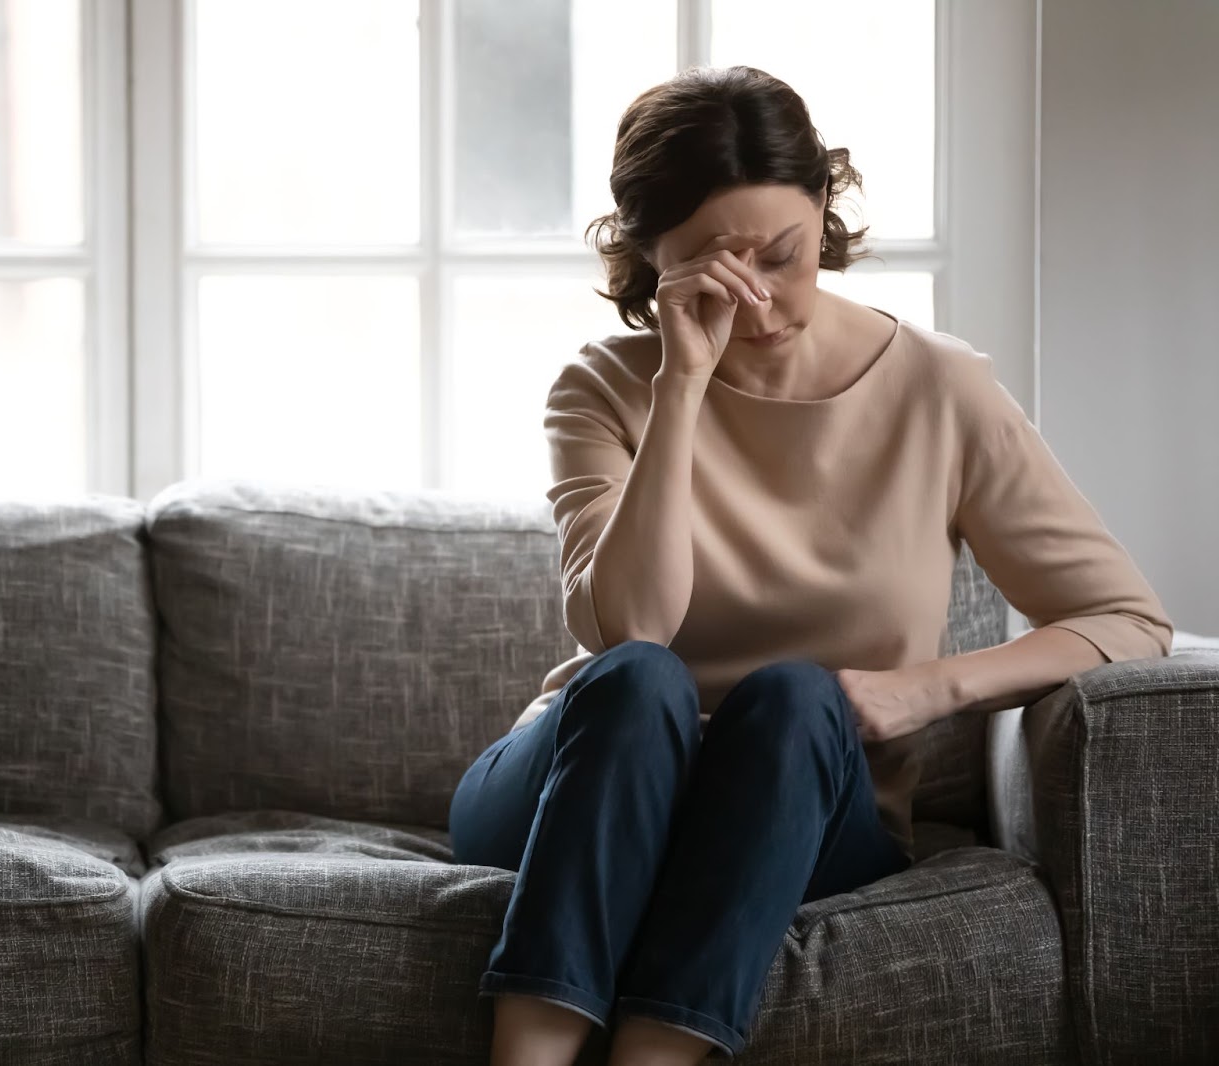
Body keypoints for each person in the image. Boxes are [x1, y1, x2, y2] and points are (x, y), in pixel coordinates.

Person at [447, 65, 1173, 1066]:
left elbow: (1127, 618)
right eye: (711, 263)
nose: (758, 299)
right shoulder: (602, 388)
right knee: (639, 680)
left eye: (783, 255)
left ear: (824, 210)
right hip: (582, 783)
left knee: (795, 699)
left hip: (803, 802)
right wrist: (683, 387)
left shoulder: (940, 390)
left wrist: (922, 690)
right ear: (648, 254)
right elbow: (631, 629)